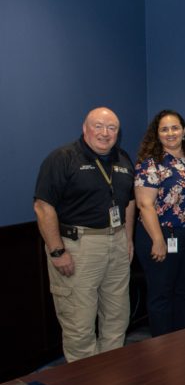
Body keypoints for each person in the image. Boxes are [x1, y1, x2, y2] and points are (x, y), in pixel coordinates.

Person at [33, 107, 135, 362]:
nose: (105, 133)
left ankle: (112, 374)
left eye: (111, 128)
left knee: (117, 317)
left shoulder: (122, 158)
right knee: (79, 323)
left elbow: (130, 202)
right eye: (98, 126)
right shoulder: (63, 158)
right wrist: (57, 251)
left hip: (117, 242)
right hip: (78, 246)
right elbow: (43, 206)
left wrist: (128, 239)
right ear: (85, 128)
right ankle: (87, 382)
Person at [134, 109, 185, 337]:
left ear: (184, 131)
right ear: (157, 134)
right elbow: (145, 204)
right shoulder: (150, 164)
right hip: (160, 235)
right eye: (164, 129)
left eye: (175, 128)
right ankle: (162, 349)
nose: (170, 133)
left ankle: (183, 344)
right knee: (161, 295)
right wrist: (158, 240)